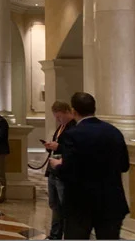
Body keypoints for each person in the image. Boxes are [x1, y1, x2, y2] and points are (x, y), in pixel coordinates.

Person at [50, 92, 129, 240]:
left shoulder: (72, 135)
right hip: (111, 202)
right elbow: (124, 166)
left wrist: (58, 165)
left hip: (80, 204)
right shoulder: (114, 132)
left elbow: (68, 172)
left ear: (73, 111)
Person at [43, 100, 76, 240]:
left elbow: (72, 149)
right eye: (56, 117)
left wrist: (58, 147)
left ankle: (68, 235)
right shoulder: (61, 127)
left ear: (67, 112)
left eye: (59, 116)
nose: (57, 119)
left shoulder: (74, 127)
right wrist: (50, 146)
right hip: (53, 171)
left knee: (65, 205)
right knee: (54, 204)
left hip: (63, 171)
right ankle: (54, 235)